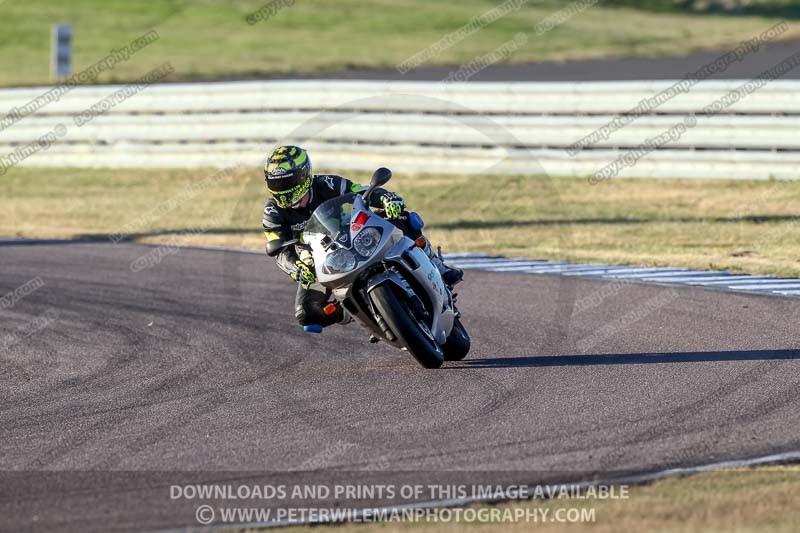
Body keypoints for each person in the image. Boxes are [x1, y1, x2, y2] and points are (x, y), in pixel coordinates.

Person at [261, 145, 463, 329]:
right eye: (276, 183)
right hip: (317, 262)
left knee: (402, 217)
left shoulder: (328, 184)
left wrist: (385, 198)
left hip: (356, 235)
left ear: (304, 175)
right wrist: (297, 268)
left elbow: (361, 192)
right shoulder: (272, 212)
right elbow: (278, 250)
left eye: (287, 181)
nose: (283, 188)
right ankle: (355, 313)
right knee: (307, 313)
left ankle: (436, 264)